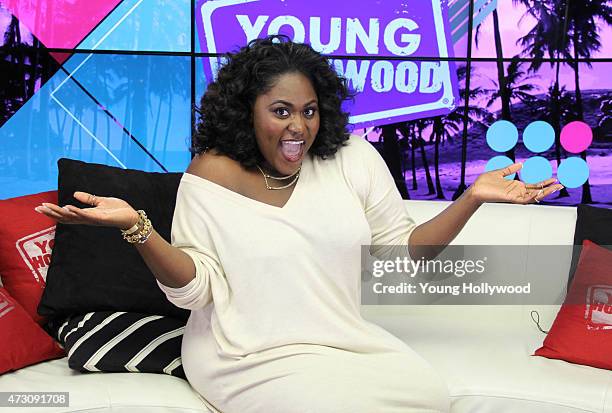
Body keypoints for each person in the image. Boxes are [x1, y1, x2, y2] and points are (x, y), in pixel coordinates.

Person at [35, 35, 563, 413]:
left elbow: (401, 255)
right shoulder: (212, 174)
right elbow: (194, 291)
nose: (299, 127)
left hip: (342, 341)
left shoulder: (352, 157)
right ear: (247, 112)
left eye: (309, 111)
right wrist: (140, 229)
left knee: (426, 395)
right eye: (281, 111)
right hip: (243, 354)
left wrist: (470, 198)